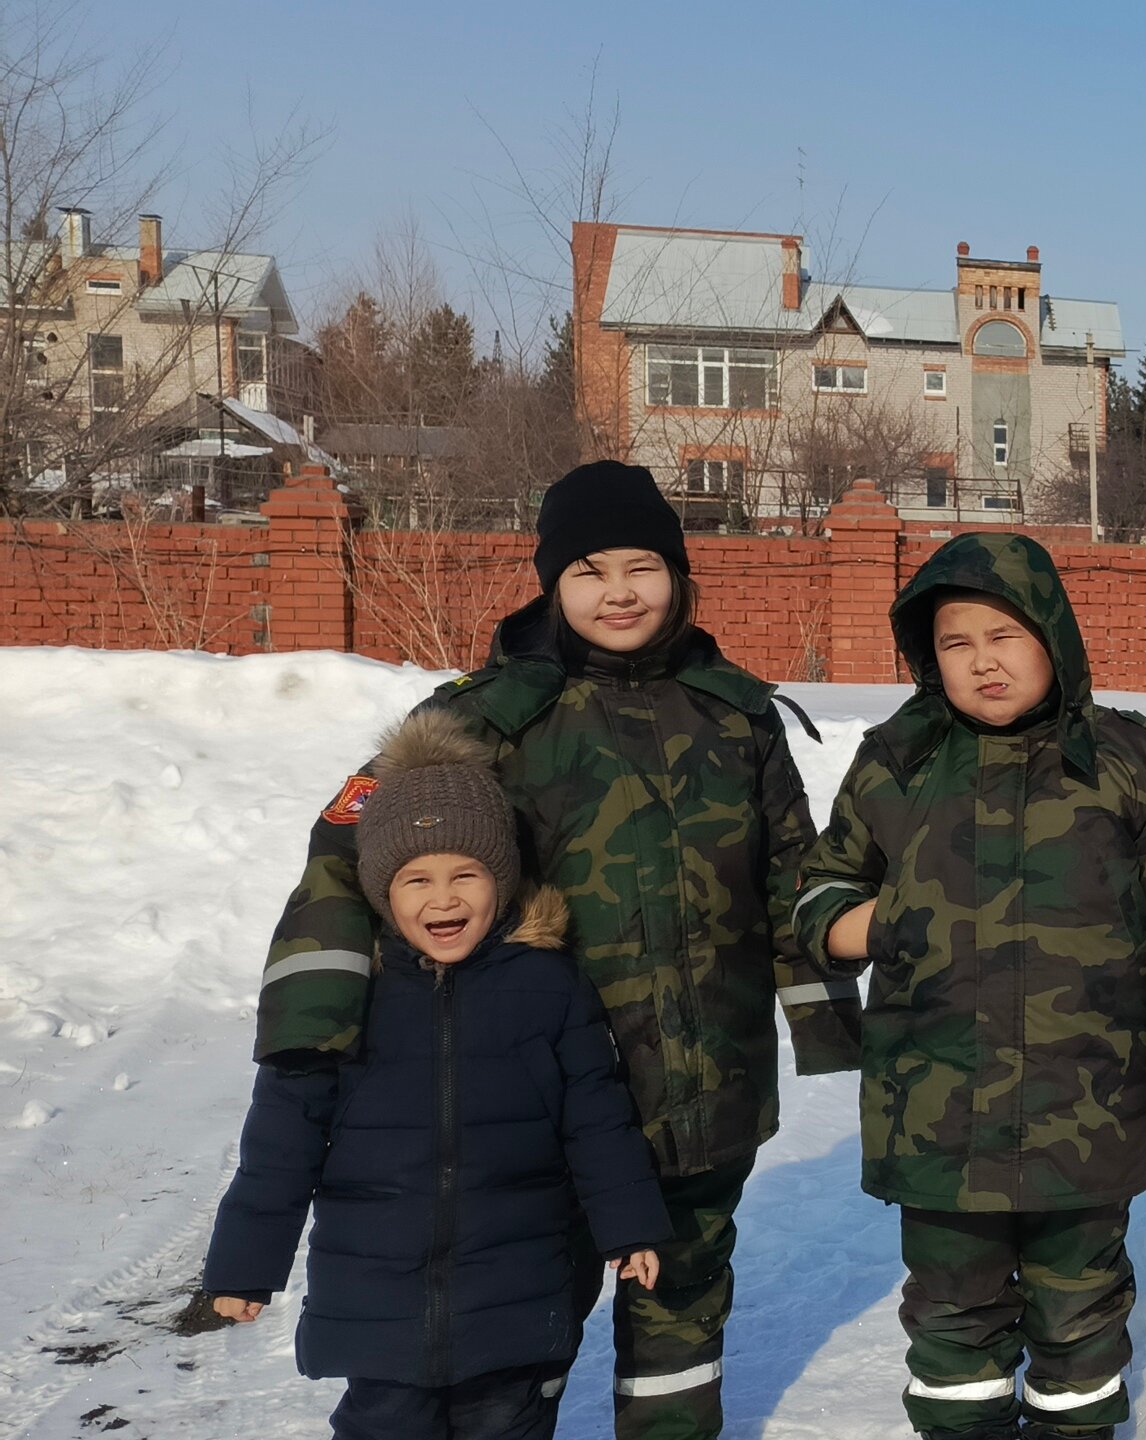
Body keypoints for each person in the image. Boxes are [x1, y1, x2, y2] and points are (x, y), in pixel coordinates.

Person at [249, 462, 860, 1437]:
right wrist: (314, 1037)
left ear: (678, 575)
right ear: (550, 584)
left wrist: (836, 1003)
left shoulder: (736, 715)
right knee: (525, 1322)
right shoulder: (485, 718)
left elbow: (790, 871)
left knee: (682, 1312)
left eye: (641, 567)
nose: (619, 593)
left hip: (708, 1085)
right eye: (588, 571)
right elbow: (348, 847)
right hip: (545, 1096)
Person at [794, 533, 1146, 1440]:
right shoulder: (898, 760)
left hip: (1083, 1106)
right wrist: (878, 920)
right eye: (956, 644)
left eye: (1005, 635)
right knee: (952, 1318)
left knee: (1080, 1318)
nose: (982, 662)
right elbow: (818, 895)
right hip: (936, 1110)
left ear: (1054, 637)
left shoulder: (1129, 762)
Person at [205, 712, 670, 1440]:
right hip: (376, 1291)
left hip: (514, 1283)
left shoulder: (547, 984)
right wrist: (244, 1265)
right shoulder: (342, 995)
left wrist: (629, 1225)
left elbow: (597, 1116)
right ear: (380, 891)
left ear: (502, 881)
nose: (444, 899)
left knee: (507, 1420)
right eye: (416, 879)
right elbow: (280, 1140)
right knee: (385, 1424)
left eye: (467, 875)